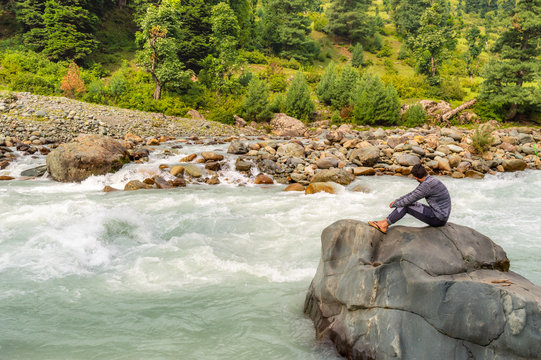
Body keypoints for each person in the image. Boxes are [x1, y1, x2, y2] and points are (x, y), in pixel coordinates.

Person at [369, 164, 451, 234]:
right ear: (425, 171)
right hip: (440, 214)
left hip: (438, 218)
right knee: (410, 204)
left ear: (416, 177)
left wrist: (395, 204)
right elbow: (413, 193)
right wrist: (398, 200)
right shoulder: (430, 180)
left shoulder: (427, 185)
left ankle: (384, 225)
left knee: (406, 206)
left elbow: (410, 199)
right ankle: (384, 221)